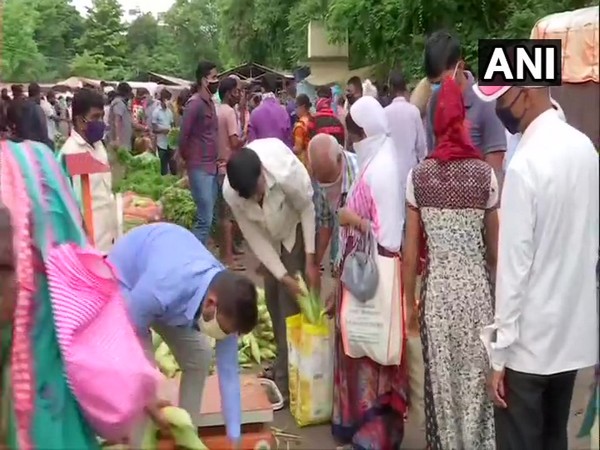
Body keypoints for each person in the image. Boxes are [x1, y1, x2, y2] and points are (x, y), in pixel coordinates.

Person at [0, 140, 167, 449]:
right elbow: (84, 281)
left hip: (43, 400)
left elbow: (82, 281)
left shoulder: (34, 168)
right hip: (46, 406)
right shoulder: (35, 167)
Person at [474, 84, 599, 450]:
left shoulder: (525, 166)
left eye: (501, 100)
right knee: (553, 437)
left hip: (528, 347)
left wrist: (499, 356)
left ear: (526, 94)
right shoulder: (585, 151)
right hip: (572, 337)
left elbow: (513, 271)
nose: (499, 110)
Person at [402, 78, 499, 449]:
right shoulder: (484, 176)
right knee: (477, 390)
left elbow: (411, 253)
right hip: (477, 299)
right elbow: (495, 252)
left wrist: (410, 304)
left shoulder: (419, 177)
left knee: (443, 393)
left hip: (438, 299)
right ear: (462, 118)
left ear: (434, 122)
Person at [108, 222, 258, 447]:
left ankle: (186, 436)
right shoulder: (162, 287)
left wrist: (234, 440)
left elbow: (228, 374)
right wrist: (148, 398)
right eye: (225, 330)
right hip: (124, 286)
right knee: (141, 400)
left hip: (163, 296)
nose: (225, 335)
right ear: (210, 303)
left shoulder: (227, 301)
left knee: (200, 355)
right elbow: (134, 337)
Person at [330, 96, 407, 449]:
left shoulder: (382, 168)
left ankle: (372, 433)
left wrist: (352, 220)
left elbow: (388, 235)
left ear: (362, 131)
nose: (350, 138)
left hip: (373, 277)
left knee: (370, 348)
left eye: (353, 131)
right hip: (362, 271)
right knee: (359, 346)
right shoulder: (377, 156)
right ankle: (360, 425)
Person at [223, 138, 320, 401]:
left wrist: (310, 259)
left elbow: (307, 209)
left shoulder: (284, 172)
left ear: (262, 174)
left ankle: (294, 378)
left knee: (291, 305)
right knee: (274, 298)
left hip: (293, 228)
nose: (257, 197)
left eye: (258, 190)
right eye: (251, 196)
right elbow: (253, 237)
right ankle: (283, 363)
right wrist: (281, 275)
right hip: (268, 238)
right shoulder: (231, 192)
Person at [424, 31, 506, 186]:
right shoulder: (433, 103)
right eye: (434, 84)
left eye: (442, 82)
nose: (439, 88)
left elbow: (495, 168)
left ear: (460, 67)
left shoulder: (485, 101)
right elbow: (432, 155)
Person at [59, 88, 117, 254]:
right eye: (95, 117)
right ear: (79, 120)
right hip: (90, 245)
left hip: (108, 240)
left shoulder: (98, 145)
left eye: (101, 116)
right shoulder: (71, 153)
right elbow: (71, 206)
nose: (100, 122)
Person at [178, 60, 220, 245]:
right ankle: (190, 257)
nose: (217, 81)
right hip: (199, 167)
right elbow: (183, 136)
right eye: (214, 77)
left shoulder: (209, 103)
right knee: (205, 219)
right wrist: (188, 160)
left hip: (211, 166)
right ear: (204, 80)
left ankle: (197, 255)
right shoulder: (194, 104)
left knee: (209, 218)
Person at [307, 133, 358, 276]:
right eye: (322, 179)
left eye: (329, 177)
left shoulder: (360, 174)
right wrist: (315, 263)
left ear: (339, 159)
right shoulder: (318, 175)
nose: (326, 184)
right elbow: (326, 222)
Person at [216, 77, 246, 271]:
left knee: (226, 212)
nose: (239, 94)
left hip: (218, 165)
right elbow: (234, 142)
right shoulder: (229, 112)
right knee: (227, 214)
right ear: (228, 93)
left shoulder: (218, 110)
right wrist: (245, 137)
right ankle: (227, 258)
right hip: (227, 166)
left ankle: (230, 250)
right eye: (237, 91)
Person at [384, 70, 427, 195]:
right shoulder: (413, 111)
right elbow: (421, 147)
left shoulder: (384, 113)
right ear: (405, 87)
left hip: (391, 174)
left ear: (391, 88)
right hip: (411, 173)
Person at [247, 74, 292, 147]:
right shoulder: (283, 112)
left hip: (262, 156)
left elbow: (252, 144)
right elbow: (288, 140)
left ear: (262, 89)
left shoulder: (255, 113)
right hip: (280, 155)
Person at [109, 82, 142, 151]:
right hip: (121, 142)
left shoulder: (123, 103)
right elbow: (117, 121)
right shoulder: (119, 103)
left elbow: (129, 121)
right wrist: (117, 138)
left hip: (124, 140)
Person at [152, 89, 177, 176]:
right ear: (163, 99)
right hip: (161, 143)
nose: (169, 102)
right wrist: (164, 131)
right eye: (167, 99)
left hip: (170, 143)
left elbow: (172, 124)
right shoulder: (156, 112)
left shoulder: (169, 111)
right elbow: (154, 129)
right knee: (163, 166)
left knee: (173, 164)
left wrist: (173, 131)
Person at [292, 94, 313, 167]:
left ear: (303, 107)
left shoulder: (300, 126)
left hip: (304, 162)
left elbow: (298, 149)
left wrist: (289, 149)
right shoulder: (313, 119)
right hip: (314, 158)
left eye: (296, 107)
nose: (295, 110)